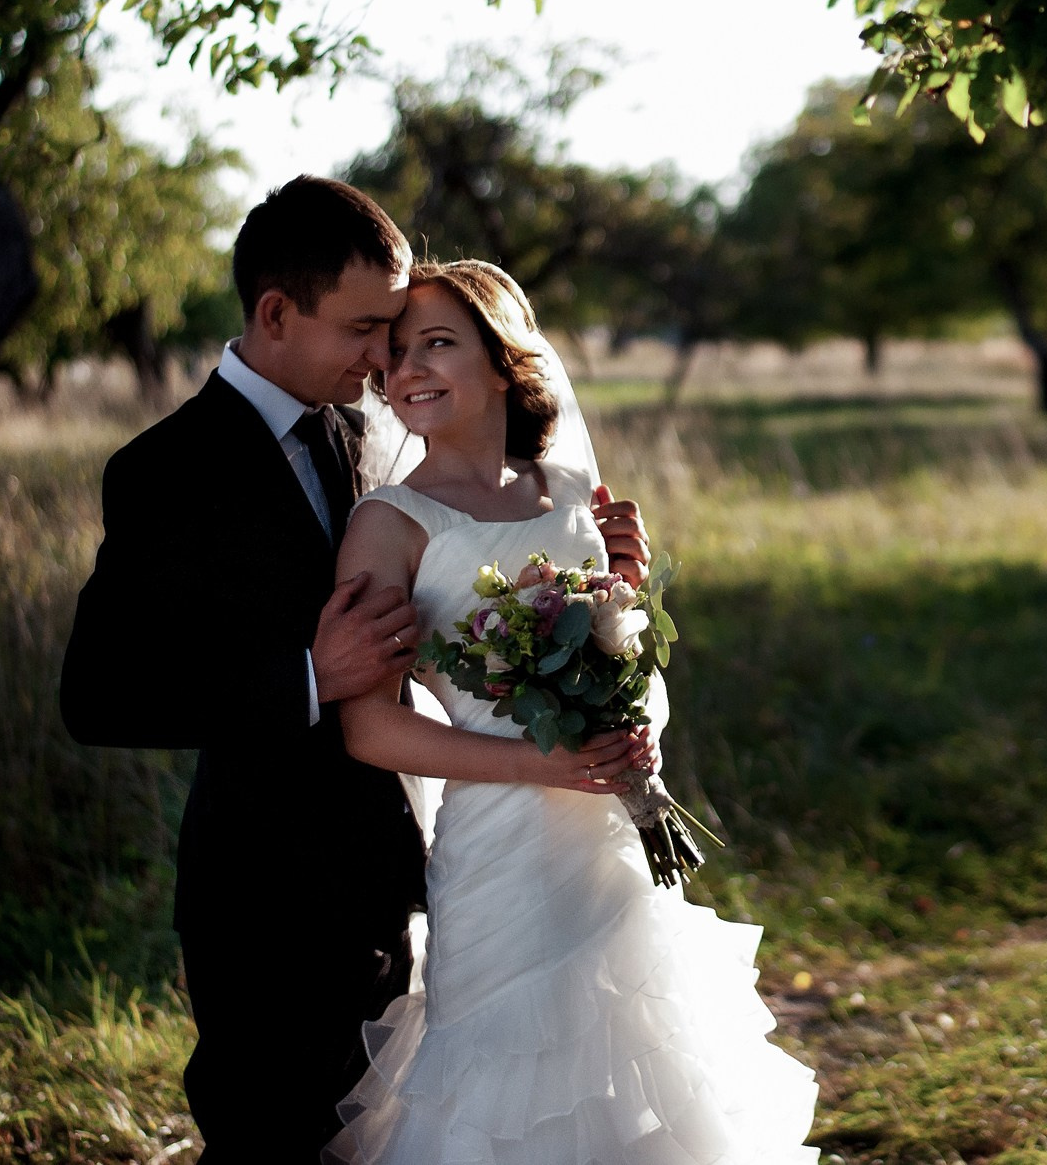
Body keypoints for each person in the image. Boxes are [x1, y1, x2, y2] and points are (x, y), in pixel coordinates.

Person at [58, 178, 653, 1161]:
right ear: (276, 312)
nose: (386, 357)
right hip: (266, 886)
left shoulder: (364, 431)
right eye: (367, 327)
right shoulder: (167, 468)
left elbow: (459, 590)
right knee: (271, 1135)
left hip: (401, 860)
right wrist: (303, 675)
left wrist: (592, 583)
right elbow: (97, 693)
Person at [323, 259, 819, 1165]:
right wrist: (540, 765)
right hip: (493, 850)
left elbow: (631, 664)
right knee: (504, 1083)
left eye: (437, 343)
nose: (408, 370)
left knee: (638, 1065)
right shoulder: (388, 524)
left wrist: (639, 728)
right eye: (393, 355)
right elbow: (371, 728)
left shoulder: (569, 499)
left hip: (607, 836)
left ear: (505, 360)